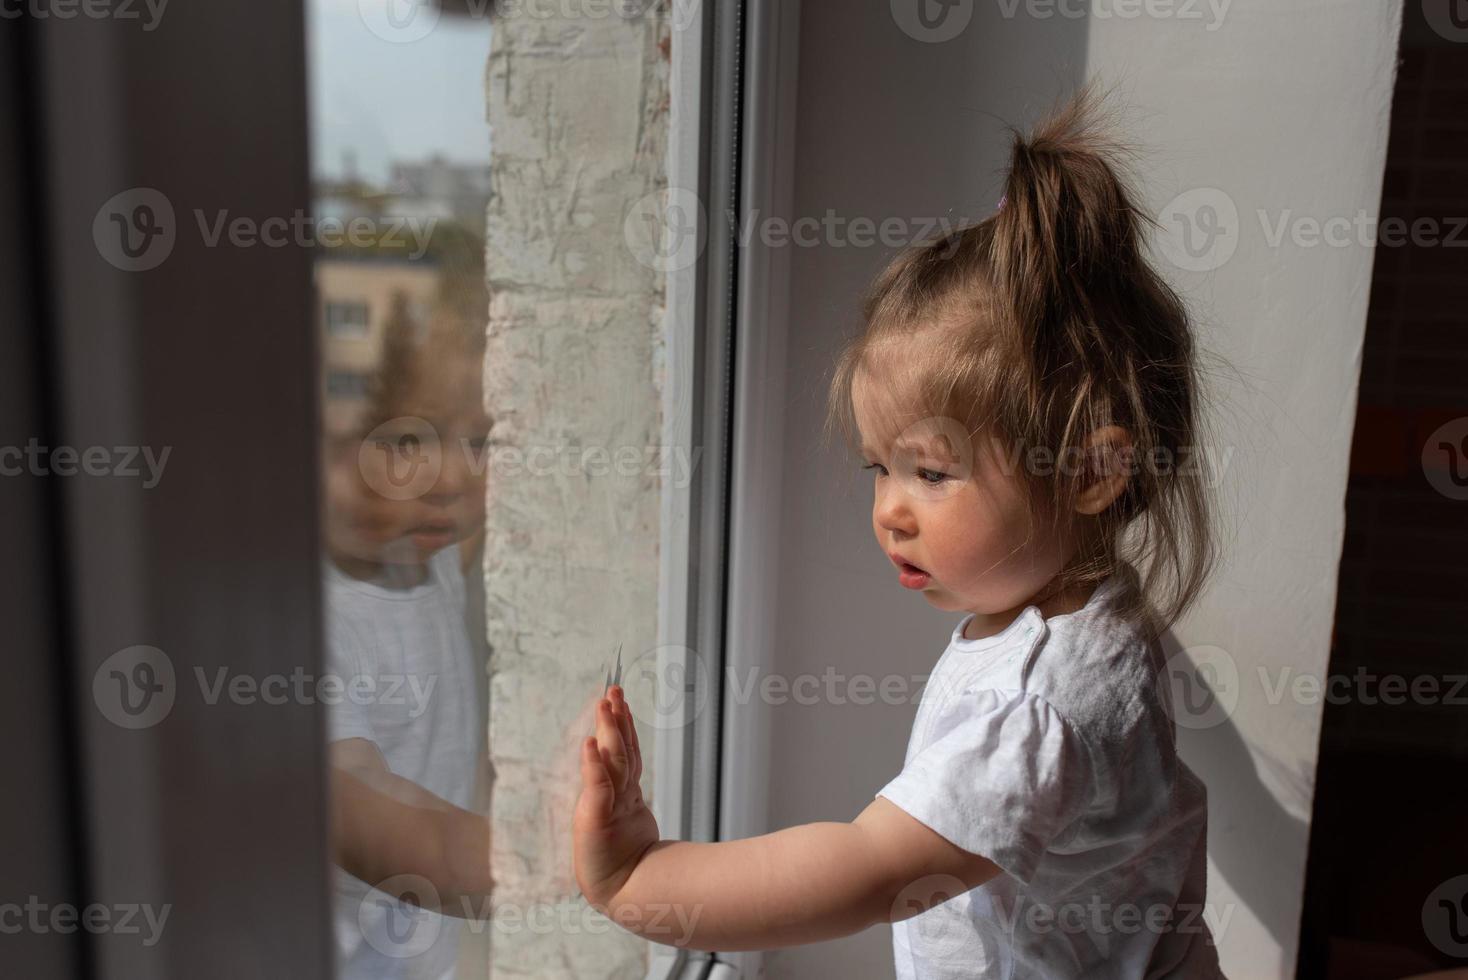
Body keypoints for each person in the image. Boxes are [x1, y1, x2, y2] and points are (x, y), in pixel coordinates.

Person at [572, 84, 1227, 979]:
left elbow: (866, 872)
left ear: (1088, 475)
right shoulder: (1091, 612)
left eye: (932, 471)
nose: (890, 508)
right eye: (880, 467)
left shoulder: (1032, 709)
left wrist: (640, 879)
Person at [322, 300, 495, 980]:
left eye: (478, 442)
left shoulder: (428, 562)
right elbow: (364, 810)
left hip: (420, 955)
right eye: (400, 444)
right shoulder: (316, 622)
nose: (450, 480)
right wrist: (536, 868)